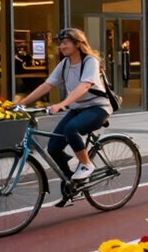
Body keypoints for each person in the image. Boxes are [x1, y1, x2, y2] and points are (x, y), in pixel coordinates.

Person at [15, 28, 113, 204]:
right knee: (53, 148)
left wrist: (62, 104)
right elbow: (47, 85)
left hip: (98, 108)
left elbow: (85, 86)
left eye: (66, 42)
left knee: (71, 128)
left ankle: (87, 164)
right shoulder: (65, 64)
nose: (62, 46)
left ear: (77, 44)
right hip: (78, 109)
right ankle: (72, 182)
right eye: (60, 43)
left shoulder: (90, 61)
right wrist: (22, 102)